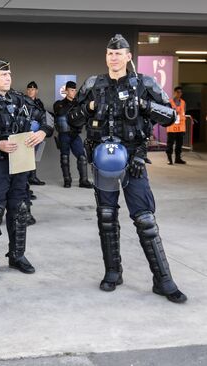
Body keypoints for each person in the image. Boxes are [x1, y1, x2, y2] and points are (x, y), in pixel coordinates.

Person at [67, 34, 187, 303]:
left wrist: (144, 105)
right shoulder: (93, 84)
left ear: (128, 56)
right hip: (103, 161)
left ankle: (163, 280)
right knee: (106, 217)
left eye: (119, 53)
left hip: (133, 161)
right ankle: (113, 272)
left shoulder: (144, 83)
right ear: (106, 56)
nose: (114, 57)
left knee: (145, 220)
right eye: (110, 53)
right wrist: (88, 108)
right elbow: (71, 121)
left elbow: (171, 116)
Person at [0, 59, 52, 281]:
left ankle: (17, 256)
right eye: (3, 75)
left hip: (20, 162)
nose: (8, 78)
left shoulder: (21, 100)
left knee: (20, 211)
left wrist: (42, 132)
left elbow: (46, 121)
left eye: (9, 74)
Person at [53, 80, 93, 188]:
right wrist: (73, 104)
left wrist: (78, 104)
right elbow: (61, 113)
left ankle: (83, 181)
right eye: (71, 90)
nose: (74, 92)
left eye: (75, 90)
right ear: (66, 91)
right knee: (64, 157)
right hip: (64, 135)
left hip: (75, 135)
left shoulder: (79, 104)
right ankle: (67, 180)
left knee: (82, 157)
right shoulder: (59, 104)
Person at [24, 81, 47, 186]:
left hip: (37, 132)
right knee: (25, 155)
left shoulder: (39, 103)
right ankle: (25, 179)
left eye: (32, 89)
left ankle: (32, 177)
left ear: (36, 91)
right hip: (26, 130)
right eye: (29, 89)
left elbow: (43, 116)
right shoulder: (22, 101)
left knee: (34, 155)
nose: (30, 91)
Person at [166, 86, 187, 165]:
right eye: (178, 92)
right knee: (170, 144)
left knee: (179, 144)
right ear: (174, 92)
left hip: (180, 127)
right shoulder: (169, 102)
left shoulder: (183, 102)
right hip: (172, 127)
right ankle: (169, 159)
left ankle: (178, 158)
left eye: (180, 92)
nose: (179, 94)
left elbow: (184, 113)